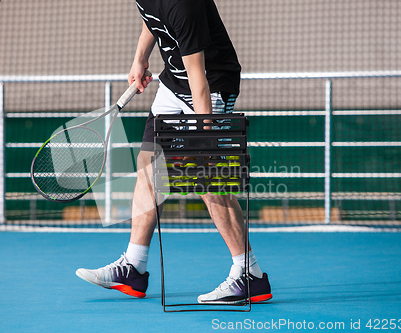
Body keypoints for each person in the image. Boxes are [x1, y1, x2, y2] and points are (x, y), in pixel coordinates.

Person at [76, 0, 272, 304]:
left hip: (211, 83)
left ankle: (250, 274)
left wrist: (206, 143)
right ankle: (134, 266)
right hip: (173, 81)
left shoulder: (183, 5)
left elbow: (199, 78)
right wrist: (140, 58)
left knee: (209, 181)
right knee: (148, 165)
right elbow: (152, 18)